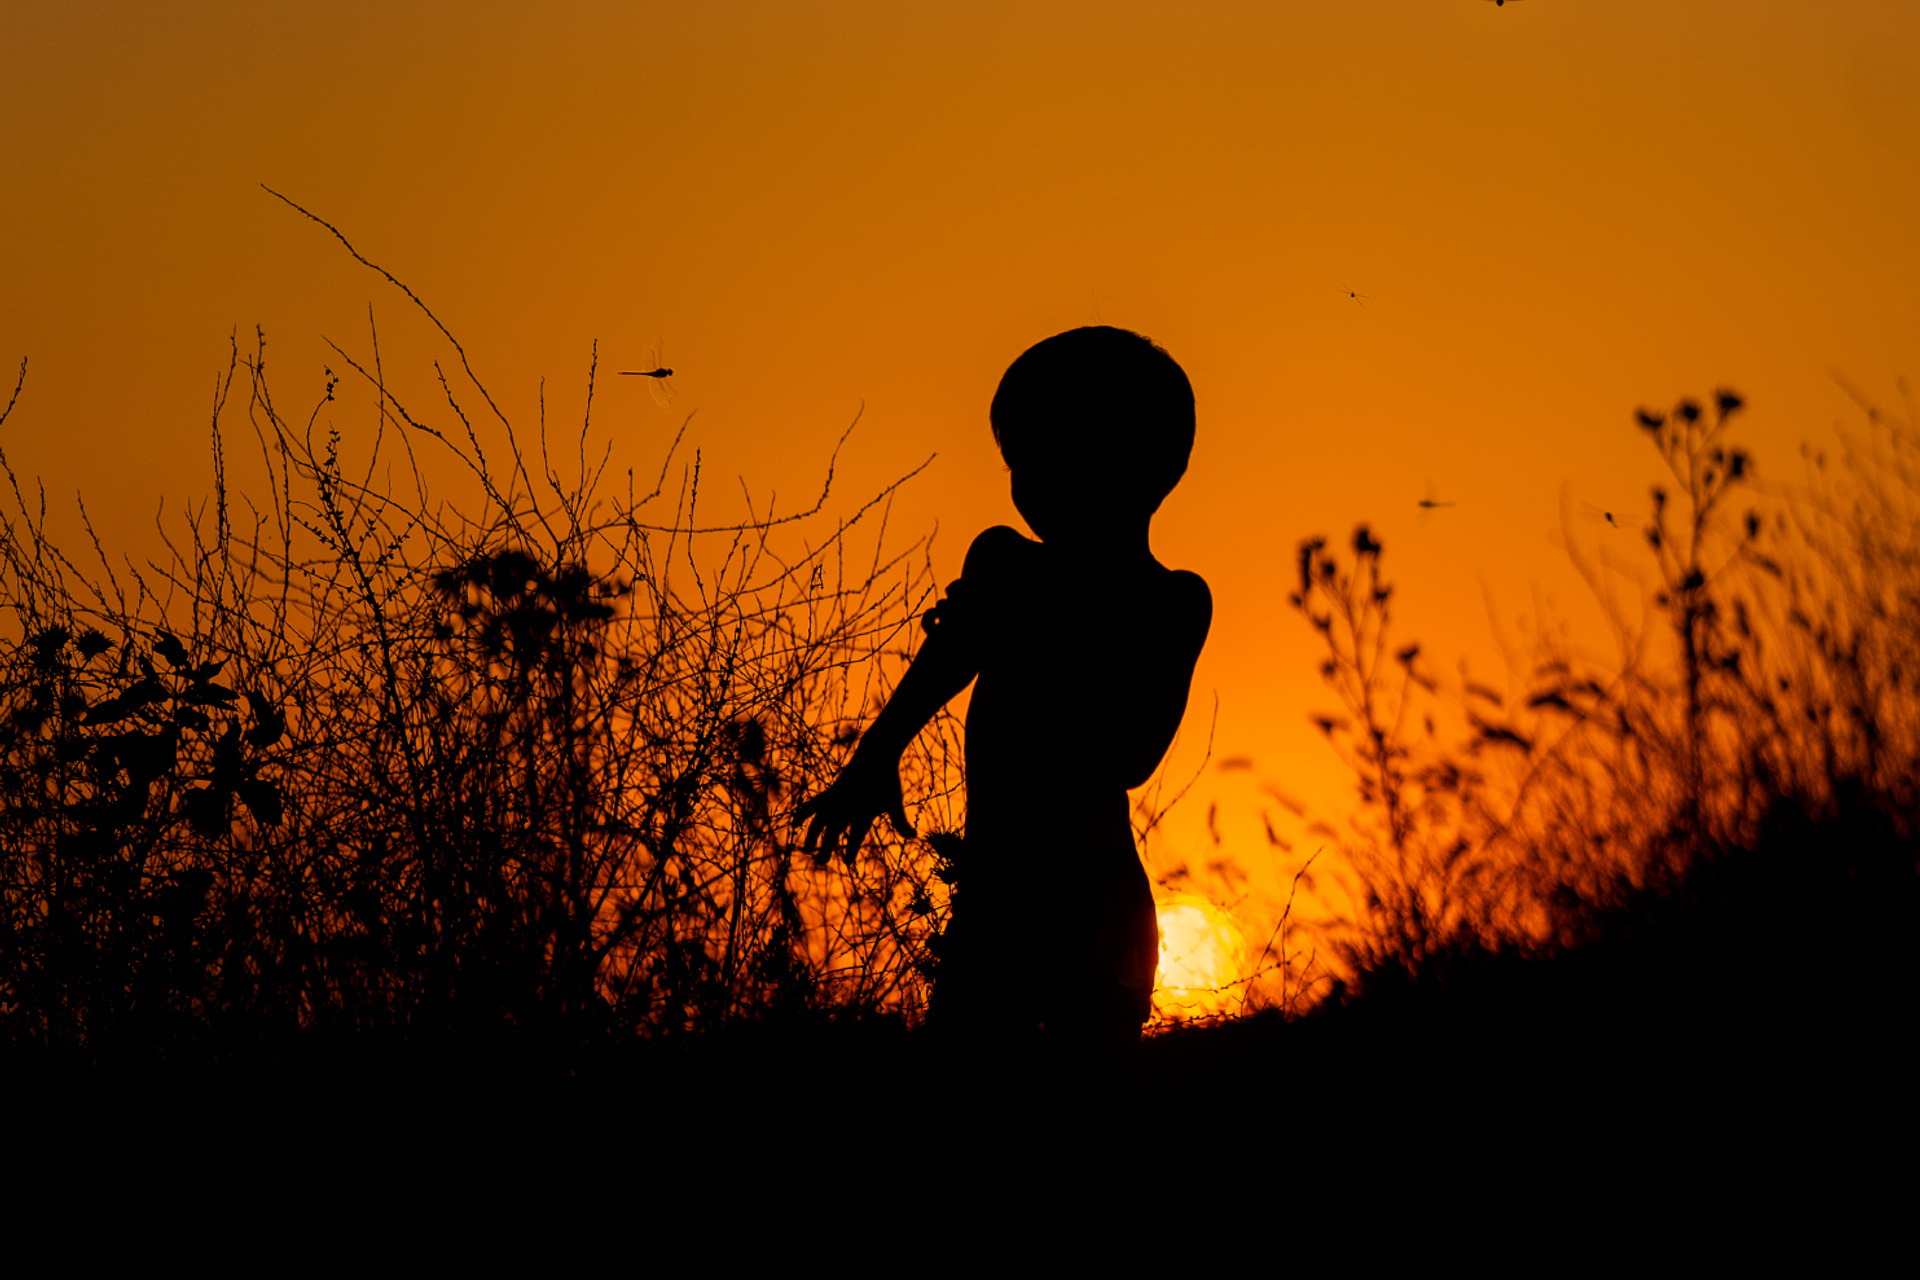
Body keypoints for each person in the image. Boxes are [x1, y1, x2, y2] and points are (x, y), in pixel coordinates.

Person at [797, 326, 1211, 1048]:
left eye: (1049, 456)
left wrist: (1028, 624)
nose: (1028, 481)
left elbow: (1130, 760)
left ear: (1137, 467)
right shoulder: (1008, 566)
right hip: (998, 891)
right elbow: (949, 660)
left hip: (1093, 895)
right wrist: (875, 753)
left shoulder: (1170, 602)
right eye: (1019, 460)